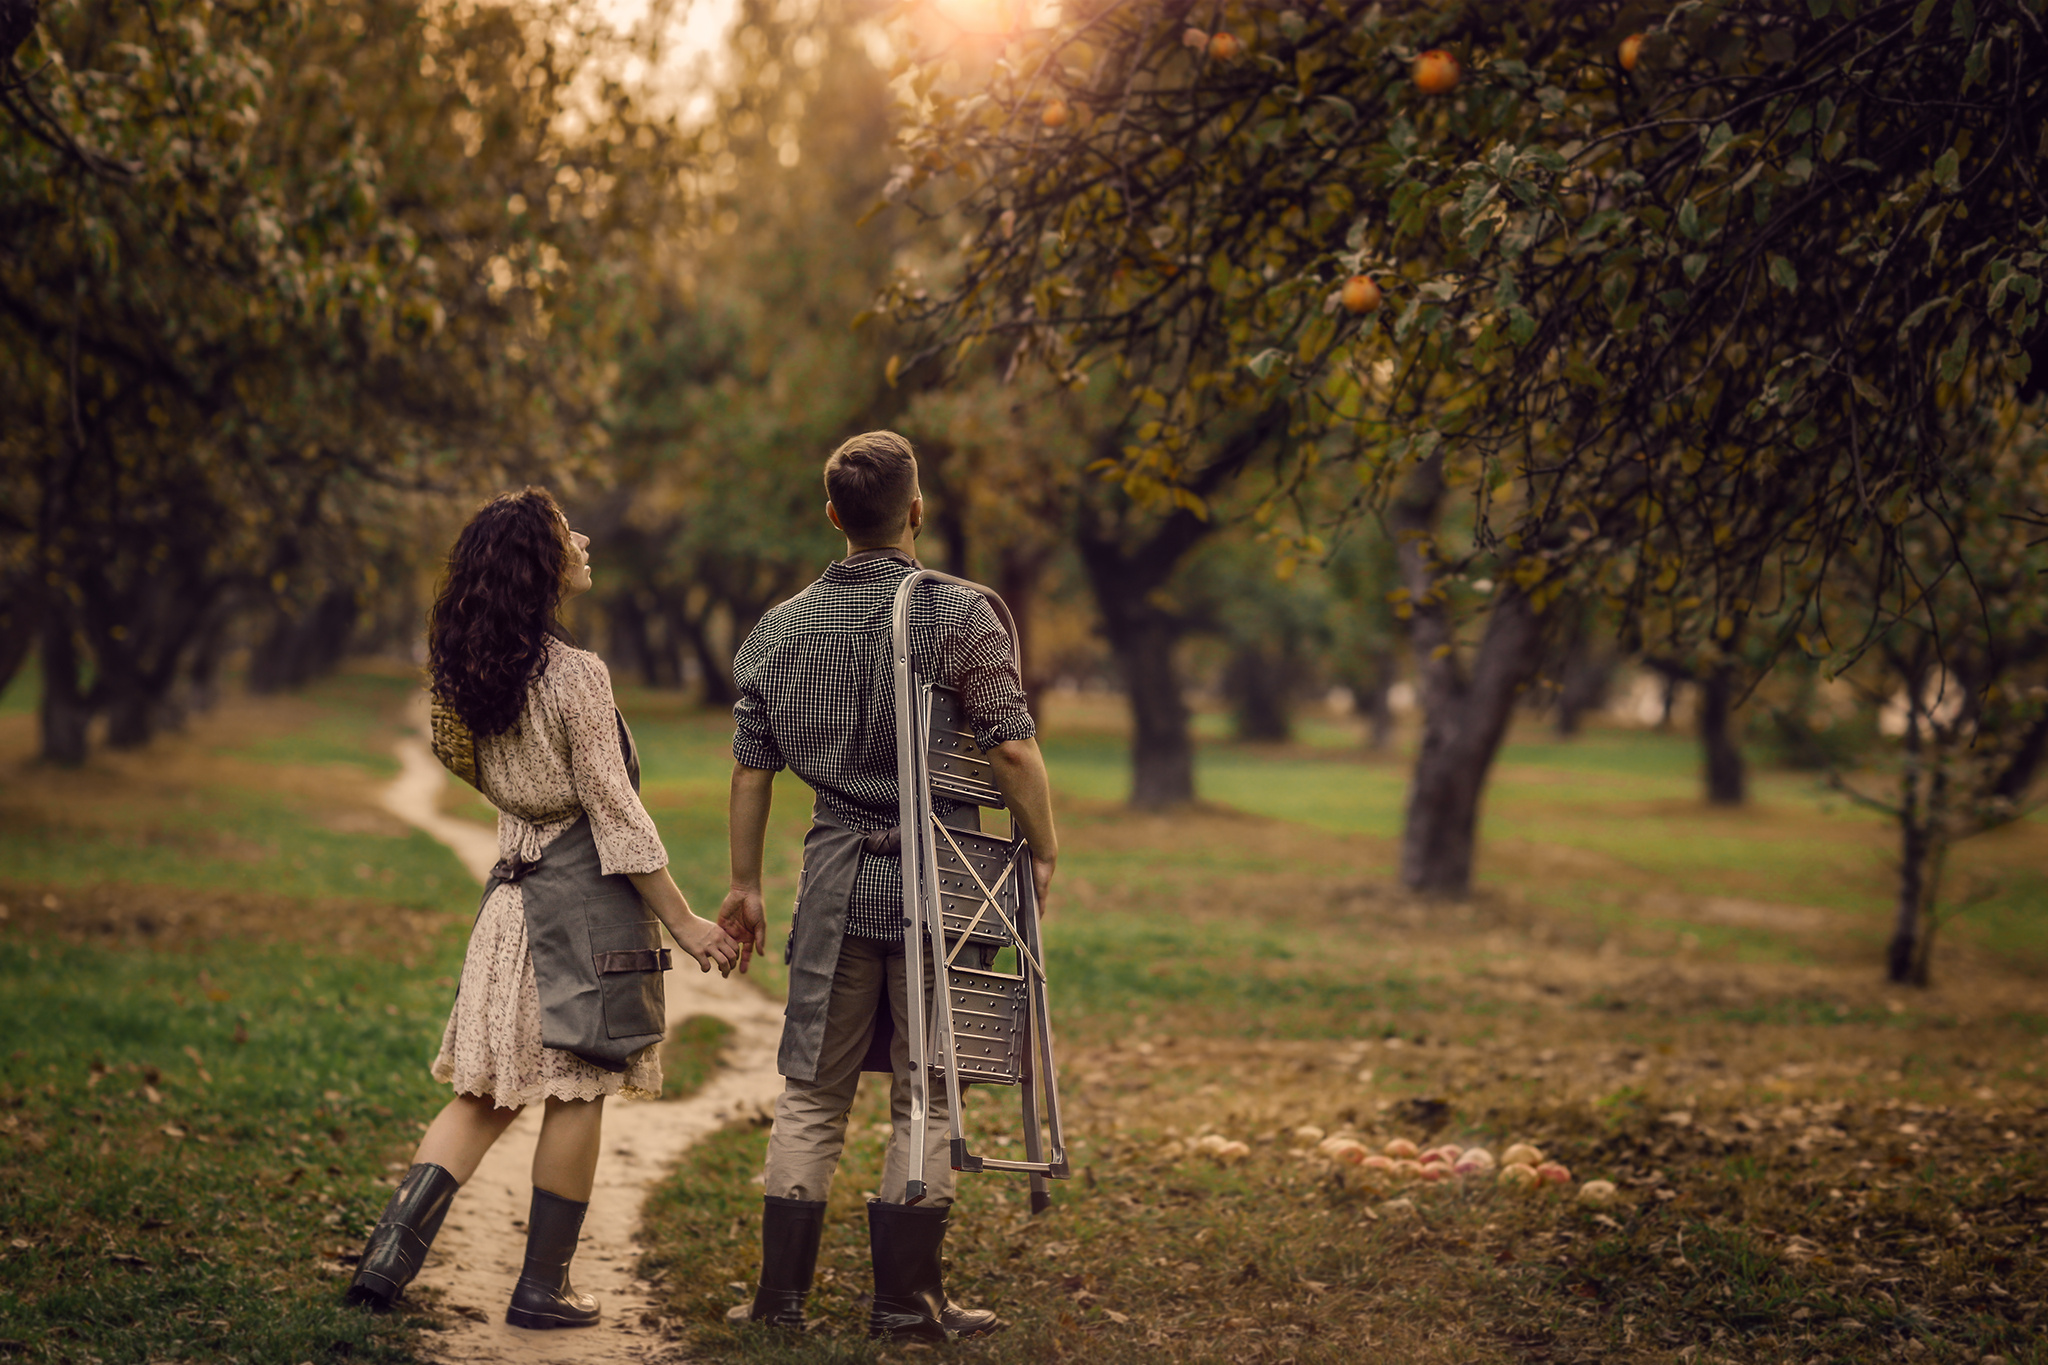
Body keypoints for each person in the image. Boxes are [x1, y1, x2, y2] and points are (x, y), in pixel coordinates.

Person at [345, 487, 739, 1329]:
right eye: (569, 533)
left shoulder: (464, 672)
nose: (585, 540)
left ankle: (384, 1263)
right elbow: (618, 816)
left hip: (508, 906)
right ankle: (542, 1287)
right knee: (580, 1084)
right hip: (580, 912)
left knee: (483, 1094)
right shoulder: (574, 676)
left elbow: (466, 766)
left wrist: (527, 807)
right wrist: (688, 923)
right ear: (542, 560)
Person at [716, 431, 1060, 1342]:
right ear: (917, 509)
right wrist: (1046, 847)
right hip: (944, 877)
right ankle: (904, 1301)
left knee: (813, 1094)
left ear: (833, 517)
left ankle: (780, 1302)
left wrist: (745, 883)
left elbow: (752, 770)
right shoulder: (961, 615)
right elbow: (1013, 747)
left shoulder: (778, 629)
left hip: (834, 877)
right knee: (926, 1090)